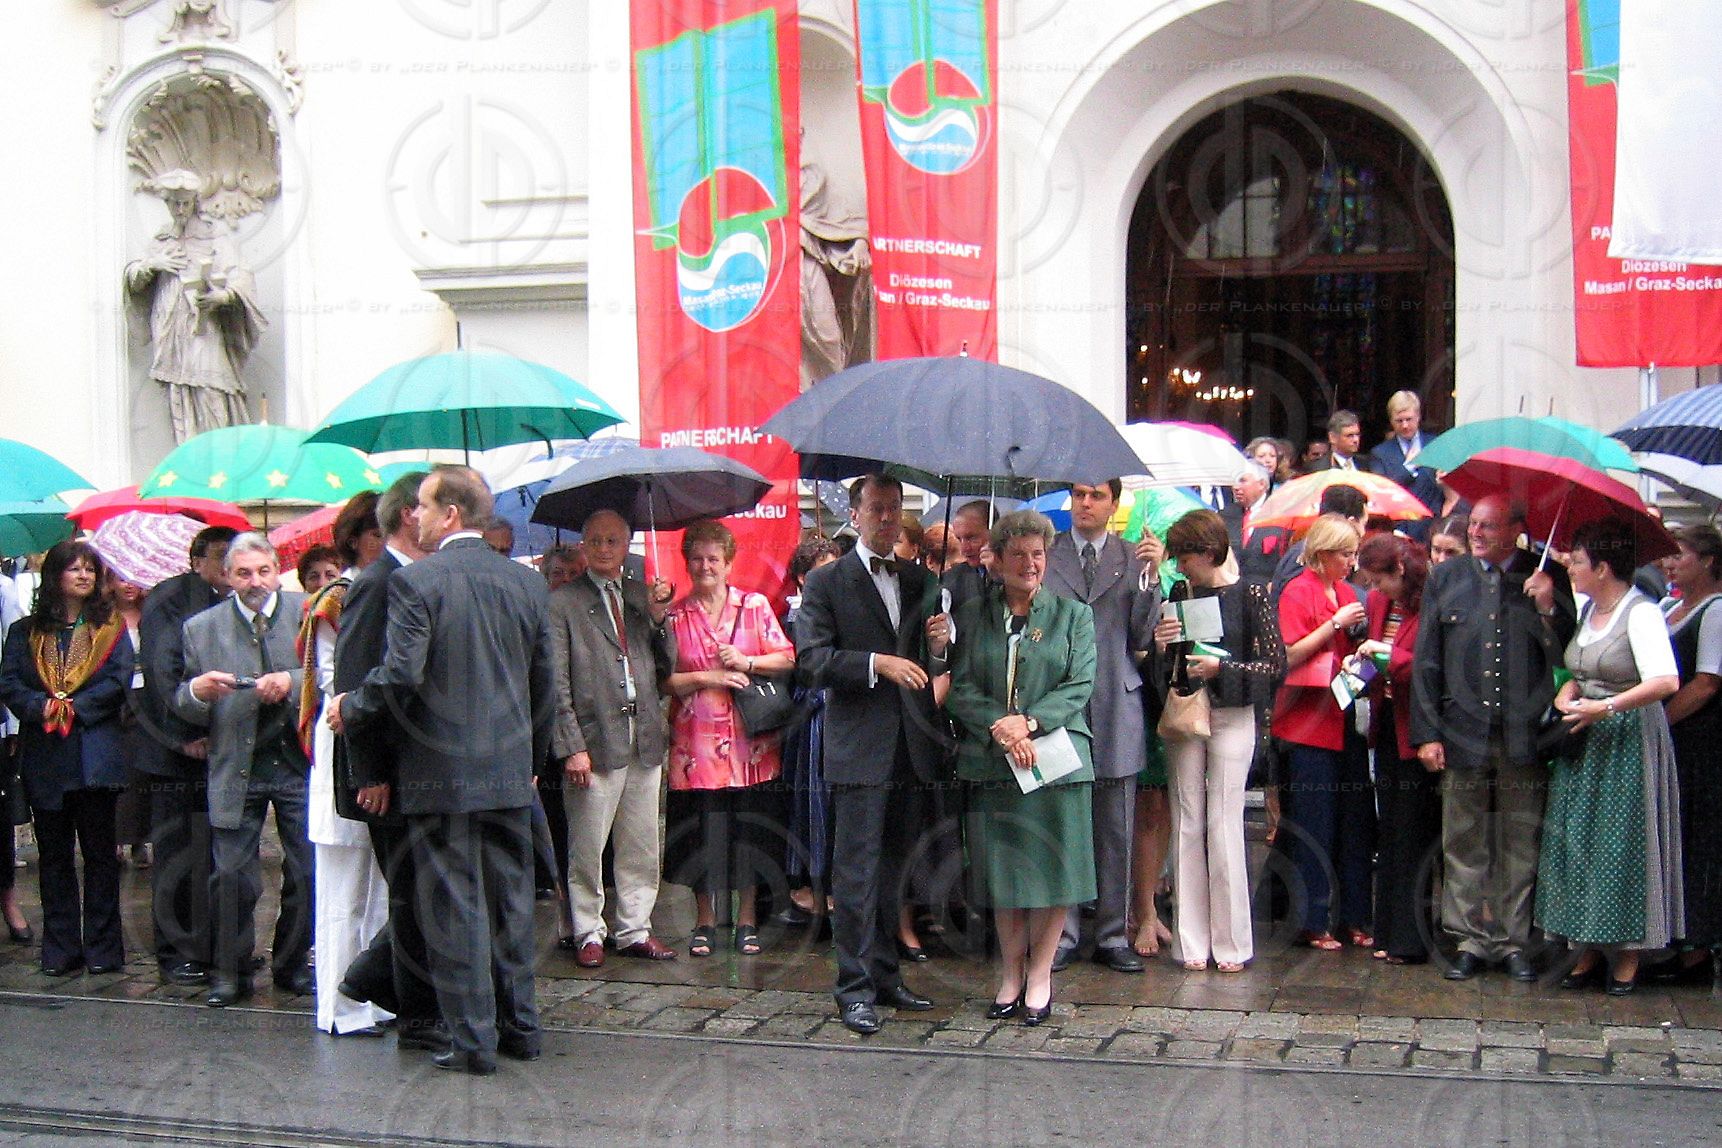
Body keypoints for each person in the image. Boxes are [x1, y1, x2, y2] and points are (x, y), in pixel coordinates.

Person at [329, 466, 554, 1074]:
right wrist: (530, 766)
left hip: (440, 776)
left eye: (425, 508)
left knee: (454, 913)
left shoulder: (420, 583)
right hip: (508, 775)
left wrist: (350, 706)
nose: (416, 518)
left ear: (451, 513)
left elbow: (401, 675)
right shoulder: (527, 584)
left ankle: (474, 1041)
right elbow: (544, 688)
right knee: (511, 908)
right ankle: (522, 1030)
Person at [795, 474, 950, 1035]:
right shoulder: (827, 582)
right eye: (876, 509)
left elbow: (932, 660)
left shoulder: (917, 579)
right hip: (859, 747)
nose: (886, 518)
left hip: (911, 747)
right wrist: (874, 664)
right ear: (855, 515)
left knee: (895, 870)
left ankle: (886, 976)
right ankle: (853, 987)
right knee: (855, 873)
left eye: (894, 510)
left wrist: (937, 644)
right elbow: (810, 659)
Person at [1411, 494, 1575, 982]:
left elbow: (1568, 652)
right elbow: (1428, 657)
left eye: (1488, 525)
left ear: (1516, 530)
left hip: (1524, 733)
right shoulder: (1447, 576)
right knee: (1464, 838)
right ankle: (1467, 939)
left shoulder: (1547, 576)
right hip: (1461, 729)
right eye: (1473, 525)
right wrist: (1427, 734)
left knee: (1519, 840)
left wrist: (1547, 607)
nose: (1476, 533)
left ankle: (1513, 941)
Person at [946, 510, 1096, 1024]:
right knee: (1004, 873)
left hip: (1056, 763)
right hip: (993, 762)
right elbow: (959, 689)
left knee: (1054, 874)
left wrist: (1028, 723)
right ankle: (1010, 975)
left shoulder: (1073, 615)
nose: (1029, 564)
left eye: (1038, 554)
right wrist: (1001, 726)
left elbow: (1080, 685)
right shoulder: (970, 615)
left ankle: (1041, 977)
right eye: (1018, 554)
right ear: (998, 559)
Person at [1538, 519, 1682, 994]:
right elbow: (1580, 666)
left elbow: (1665, 681)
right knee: (1582, 840)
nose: (1570, 568)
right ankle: (1588, 946)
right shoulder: (1589, 610)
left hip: (1626, 740)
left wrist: (1607, 706)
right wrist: (1570, 693)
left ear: (1602, 567)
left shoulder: (1640, 614)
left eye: (1577, 561)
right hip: (1587, 740)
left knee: (1622, 844)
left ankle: (1628, 955)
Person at [325, 471, 442, 1053]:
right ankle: (408, 1006)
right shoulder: (377, 583)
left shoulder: (416, 579)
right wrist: (367, 771)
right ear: (407, 517)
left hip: (419, 769)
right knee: (412, 893)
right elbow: (355, 685)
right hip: (385, 775)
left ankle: (379, 980)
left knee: (421, 890)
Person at [174, 534, 312, 1007]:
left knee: (308, 870)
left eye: (263, 571)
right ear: (227, 577)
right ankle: (229, 973)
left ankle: (292, 965)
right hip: (237, 765)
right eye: (243, 573)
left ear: (278, 570)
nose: (255, 582)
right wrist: (197, 692)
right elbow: (183, 705)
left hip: (298, 763)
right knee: (231, 877)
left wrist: (290, 681)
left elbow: (333, 675)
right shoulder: (201, 628)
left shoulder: (308, 611)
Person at [1155, 510, 1284, 971]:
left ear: (1208, 553)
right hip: (1189, 711)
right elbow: (1167, 664)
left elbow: (1274, 666)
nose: (1179, 565)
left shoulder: (1250, 593)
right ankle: (1191, 942)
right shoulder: (1179, 591)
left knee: (1224, 823)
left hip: (1232, 713)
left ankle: (1231, 943)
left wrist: (1222, 669)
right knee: (1187, 818)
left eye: (1184, 556)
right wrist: (1163, 642)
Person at [549, 509, 678, 969]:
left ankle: (636, 927)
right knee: (587, 844)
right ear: (584, 547)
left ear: (627, 548)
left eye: (614, 542)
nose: (605, 550)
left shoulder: (644, 597)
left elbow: (668, 666)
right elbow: (556, 681)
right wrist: (571, 746)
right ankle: (587, 929)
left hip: (642, 737)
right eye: (596, 541)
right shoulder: (563, 603)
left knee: (641, 842)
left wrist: (662, 619)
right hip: (594, 740)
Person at [663, 520, 797, 957]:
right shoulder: (674, 615)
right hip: (694, 748)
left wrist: (747, 661)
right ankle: (704, 921)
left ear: (729, 562)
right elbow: (663, 681)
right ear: (686, 562)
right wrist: (708, 675)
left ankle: (746, 920)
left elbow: (788, 658)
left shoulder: (754, 606)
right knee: (703, 833)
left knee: (747, 832)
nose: (705, 566)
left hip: (749, 746)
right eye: (697, 558)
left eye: (713, 559)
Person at [0, 542, 134, 977]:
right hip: (47, 755)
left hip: (94, 752)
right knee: (54, 857)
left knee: (99, 855)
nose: (83, 576)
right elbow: (11, 682)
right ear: (55, 575)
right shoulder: (25, 632)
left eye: (90, 569)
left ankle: (103, 947)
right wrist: (41, 707)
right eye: (74, 568)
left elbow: (118, 680)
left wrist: (76, 708)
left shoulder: (110, 628)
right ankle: (59, 947)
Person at [1042, 481, 1159, 974]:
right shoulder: (1047, 554)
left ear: (1114, 504)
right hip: (1061, 704)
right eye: (1079, 494)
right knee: (1066, 822)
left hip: (1117, 701)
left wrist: (1152, 580)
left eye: (1095, 495)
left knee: (1116, 824)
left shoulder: (1132, 557)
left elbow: (1142, 635)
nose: (1085, 503)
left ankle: (1113, 933)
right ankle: (1063, 933)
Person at [295, 492, 391, 1036]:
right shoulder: (336, 597)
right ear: (356, 538)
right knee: (342, 891)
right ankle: (337, 1005)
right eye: (375, 533)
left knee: (379, 889)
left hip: (379, 748)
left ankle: (374, 996)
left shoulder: (391, 588)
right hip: (345, 745)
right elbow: (335, 682)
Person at [132, 524, 235, 986]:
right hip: (178, 749)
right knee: (180, 854)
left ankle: (214, 945)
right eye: (220, 557)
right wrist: (183, 734)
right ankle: (176, 951)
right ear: (197, 560)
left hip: (225, 746)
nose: (228, 566)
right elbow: (162, 668)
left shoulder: (238, 600)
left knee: (216, 854)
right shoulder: (172, 597)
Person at [1271, 514, 1374, 950]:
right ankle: (1312, 919)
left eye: (1354, 554)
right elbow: (1288, 655)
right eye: (1346, 554)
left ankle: (1355, 915)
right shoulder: (1299, 590)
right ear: (1323, 554)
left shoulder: (1349, 592)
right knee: (1313, 821)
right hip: (1307, 721)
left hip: (1345, 713)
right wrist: (1333, 625)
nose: (1352, 562)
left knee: (1354, 821)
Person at [123, 171, 263, 442]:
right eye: (174, 203)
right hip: (170, 328)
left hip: (204, 325)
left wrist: (224, 296)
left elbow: (240, 274)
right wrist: (153, 265)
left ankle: (219, 455)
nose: (180, 209)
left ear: (195, 202)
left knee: (212, 388)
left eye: (185, 203)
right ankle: (189, 456)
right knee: (179, 394)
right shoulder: (162, 241)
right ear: (166, 204)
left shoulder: (212, 237)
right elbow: (134, 278)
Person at [1355, 533, 1438, 964]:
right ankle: (1385, 930)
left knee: (1412, 834)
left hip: (1415, 727)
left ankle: (1411, 937)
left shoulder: (1430, 606)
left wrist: (1388, 654)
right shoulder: (1377, 604)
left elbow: (1428, 664)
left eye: (1380, 579)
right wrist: (1363, 665)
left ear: (1401, 571)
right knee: (1389, 832)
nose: (1376, 588)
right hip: (1386, 722)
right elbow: (1377, 662)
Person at [1654, 525, 1722, 985]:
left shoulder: (1716, 611)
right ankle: (1675, 941)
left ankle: (1696, 952)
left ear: (1710, 561)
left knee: (1698, 839)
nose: (1670, 563)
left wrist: (1662, 724)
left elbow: (1706, 682)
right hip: (1675, 740)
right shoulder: (1668, 606)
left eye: (1680, 556)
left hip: (1700, 742)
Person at [779, 537, 841, 928]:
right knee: (812, 802)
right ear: (803, 579)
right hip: (813, 718)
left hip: (841, 716)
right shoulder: (798, 617)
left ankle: (832, 886)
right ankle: (811, 886)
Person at [110, 574, 153, 870]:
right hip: (115, 700)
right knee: (119, 774)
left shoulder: (151, 615)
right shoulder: (104, 617)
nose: (128, 585)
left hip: (148, 700)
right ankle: (114, 837)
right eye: (120, 578)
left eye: (133, 579)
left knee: (143, 776)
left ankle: (141, 838)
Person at [1369, 391, 1441, 516]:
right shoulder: (1379, 454)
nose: (1405, 425)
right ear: (1391, 421)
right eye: (1399, 421)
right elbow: (1382, 492)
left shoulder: (1435, 445)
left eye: (1409, 419)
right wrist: (1409, 467)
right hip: (1399, 525)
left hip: (1432, 523)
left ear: (1418, 416)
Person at [942, 501, 993, 614]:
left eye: (972, 538)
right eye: (959, 539)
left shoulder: (1017, 576)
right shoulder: (951, 580)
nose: (964, 549)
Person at [1310, 410, 1376, 474]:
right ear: (1332, 437)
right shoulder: (1319, 469)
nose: (1356, 440)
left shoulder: (1366, 463)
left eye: (1357, 434)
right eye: (1349, 435)